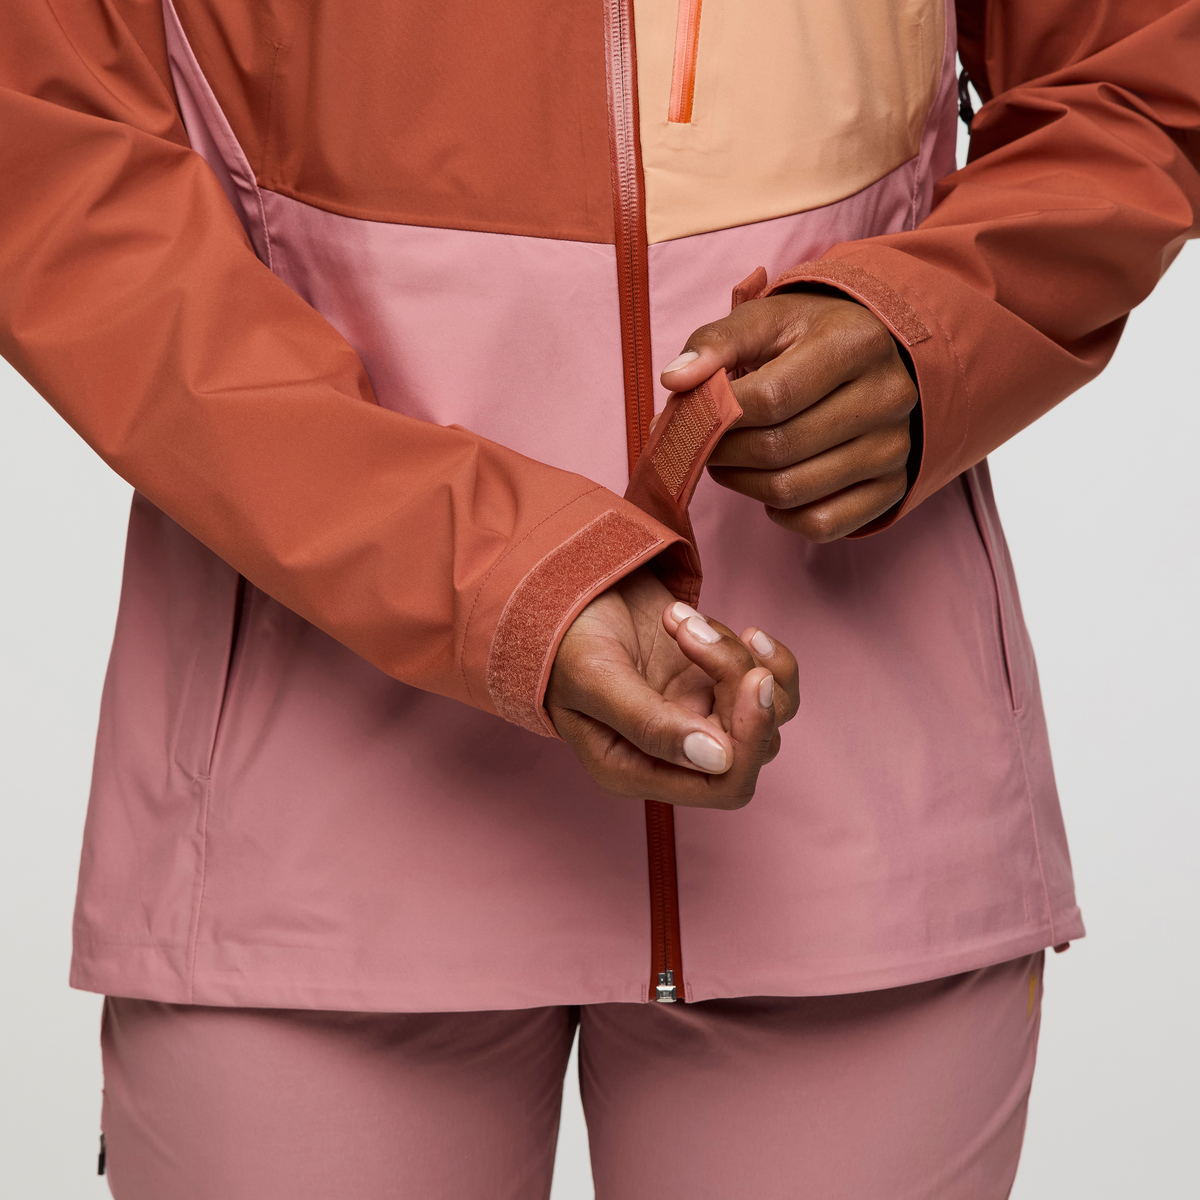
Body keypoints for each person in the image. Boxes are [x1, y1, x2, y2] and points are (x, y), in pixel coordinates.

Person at [1, 1, 1197, 1196]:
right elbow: (48, 155)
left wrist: (930, 329)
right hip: (305, 826)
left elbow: (1135, 72)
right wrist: (498, 571)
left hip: (850, 805)